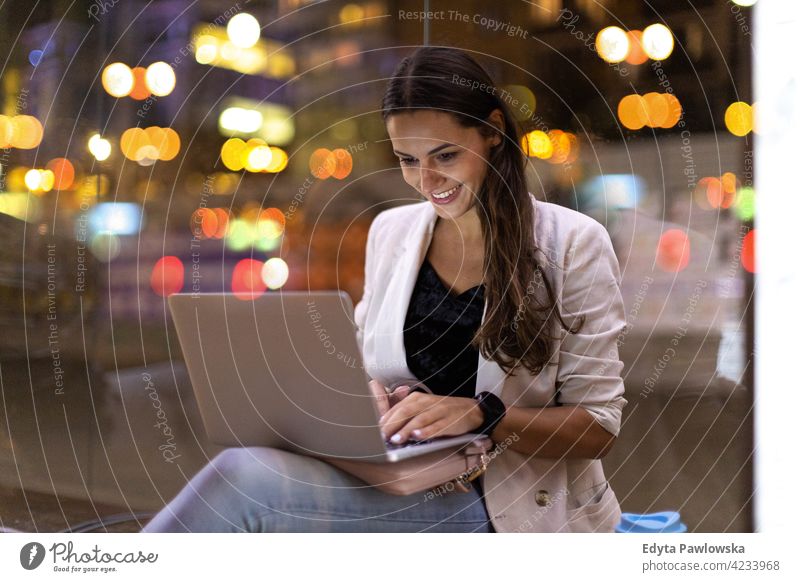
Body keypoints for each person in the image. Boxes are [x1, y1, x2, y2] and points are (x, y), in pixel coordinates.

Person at [142, 46, 627, 533]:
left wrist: (481, 416)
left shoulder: (572, 244)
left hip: (507, 504)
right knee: (248, 469)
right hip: (401, 476)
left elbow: (598, 428)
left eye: (446, 156)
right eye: (407, 160)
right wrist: (364, 397)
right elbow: (362, 364)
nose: (426, 180)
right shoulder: (391, 231)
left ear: (493, 132)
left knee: (245, 484)